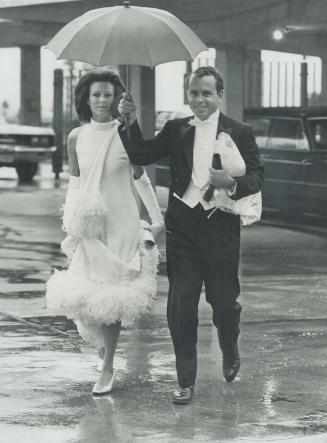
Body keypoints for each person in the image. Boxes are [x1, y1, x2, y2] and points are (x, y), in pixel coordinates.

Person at [118, 66, 264, 405]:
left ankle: (230, 345)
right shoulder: (175, 128)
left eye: (206, 93)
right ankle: (185, 380)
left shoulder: (240, 131)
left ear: (219, 94)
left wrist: (231, 183)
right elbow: (141, 154)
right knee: (181, 305)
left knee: (223, 305)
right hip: (183, 228)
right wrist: (130, 120)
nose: (199, 99)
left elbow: (257, 176)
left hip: (221, 229)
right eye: (194, 93)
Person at [46, 70, 164, 395]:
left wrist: (157, 218)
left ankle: (108, 366)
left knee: (113, 296)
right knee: (87, 296)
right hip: (90, 224)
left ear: (117, 100)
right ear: (86, 98)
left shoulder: (125, 132)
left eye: (108, 95)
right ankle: (102, 346)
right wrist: (72, 223)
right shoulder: (76, 137)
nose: (102, 101)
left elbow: (141, 178)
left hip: (122, 221)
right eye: (96, 95)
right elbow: (75, 182)